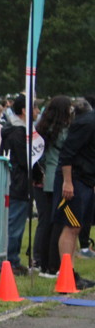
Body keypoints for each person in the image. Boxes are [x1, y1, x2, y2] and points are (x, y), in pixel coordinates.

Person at [53, 94, 95, 288]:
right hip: (74, 180)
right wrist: (68, 182)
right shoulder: (87, 123)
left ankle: (71, 273)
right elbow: (67, 153)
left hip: (85, 180)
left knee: (77, 227)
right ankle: (66, 274)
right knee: (71, 226)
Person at [33, 96, 74, 277]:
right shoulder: (63, 131)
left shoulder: (42, 128)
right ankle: (52, 263)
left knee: (46, 223)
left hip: (46, 176)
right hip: (58, 177)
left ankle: (42, 261)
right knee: (56, 223)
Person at [0, 95, 31, 275]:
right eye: (34, 108)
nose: (36, 111)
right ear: (24, 111)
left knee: (14, 222)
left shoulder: (10, 130)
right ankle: (9, 260)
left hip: (12, 181)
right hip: (18, 183)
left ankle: (12, 259)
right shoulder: (19, 133)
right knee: (14, 224)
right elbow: (25, 160)